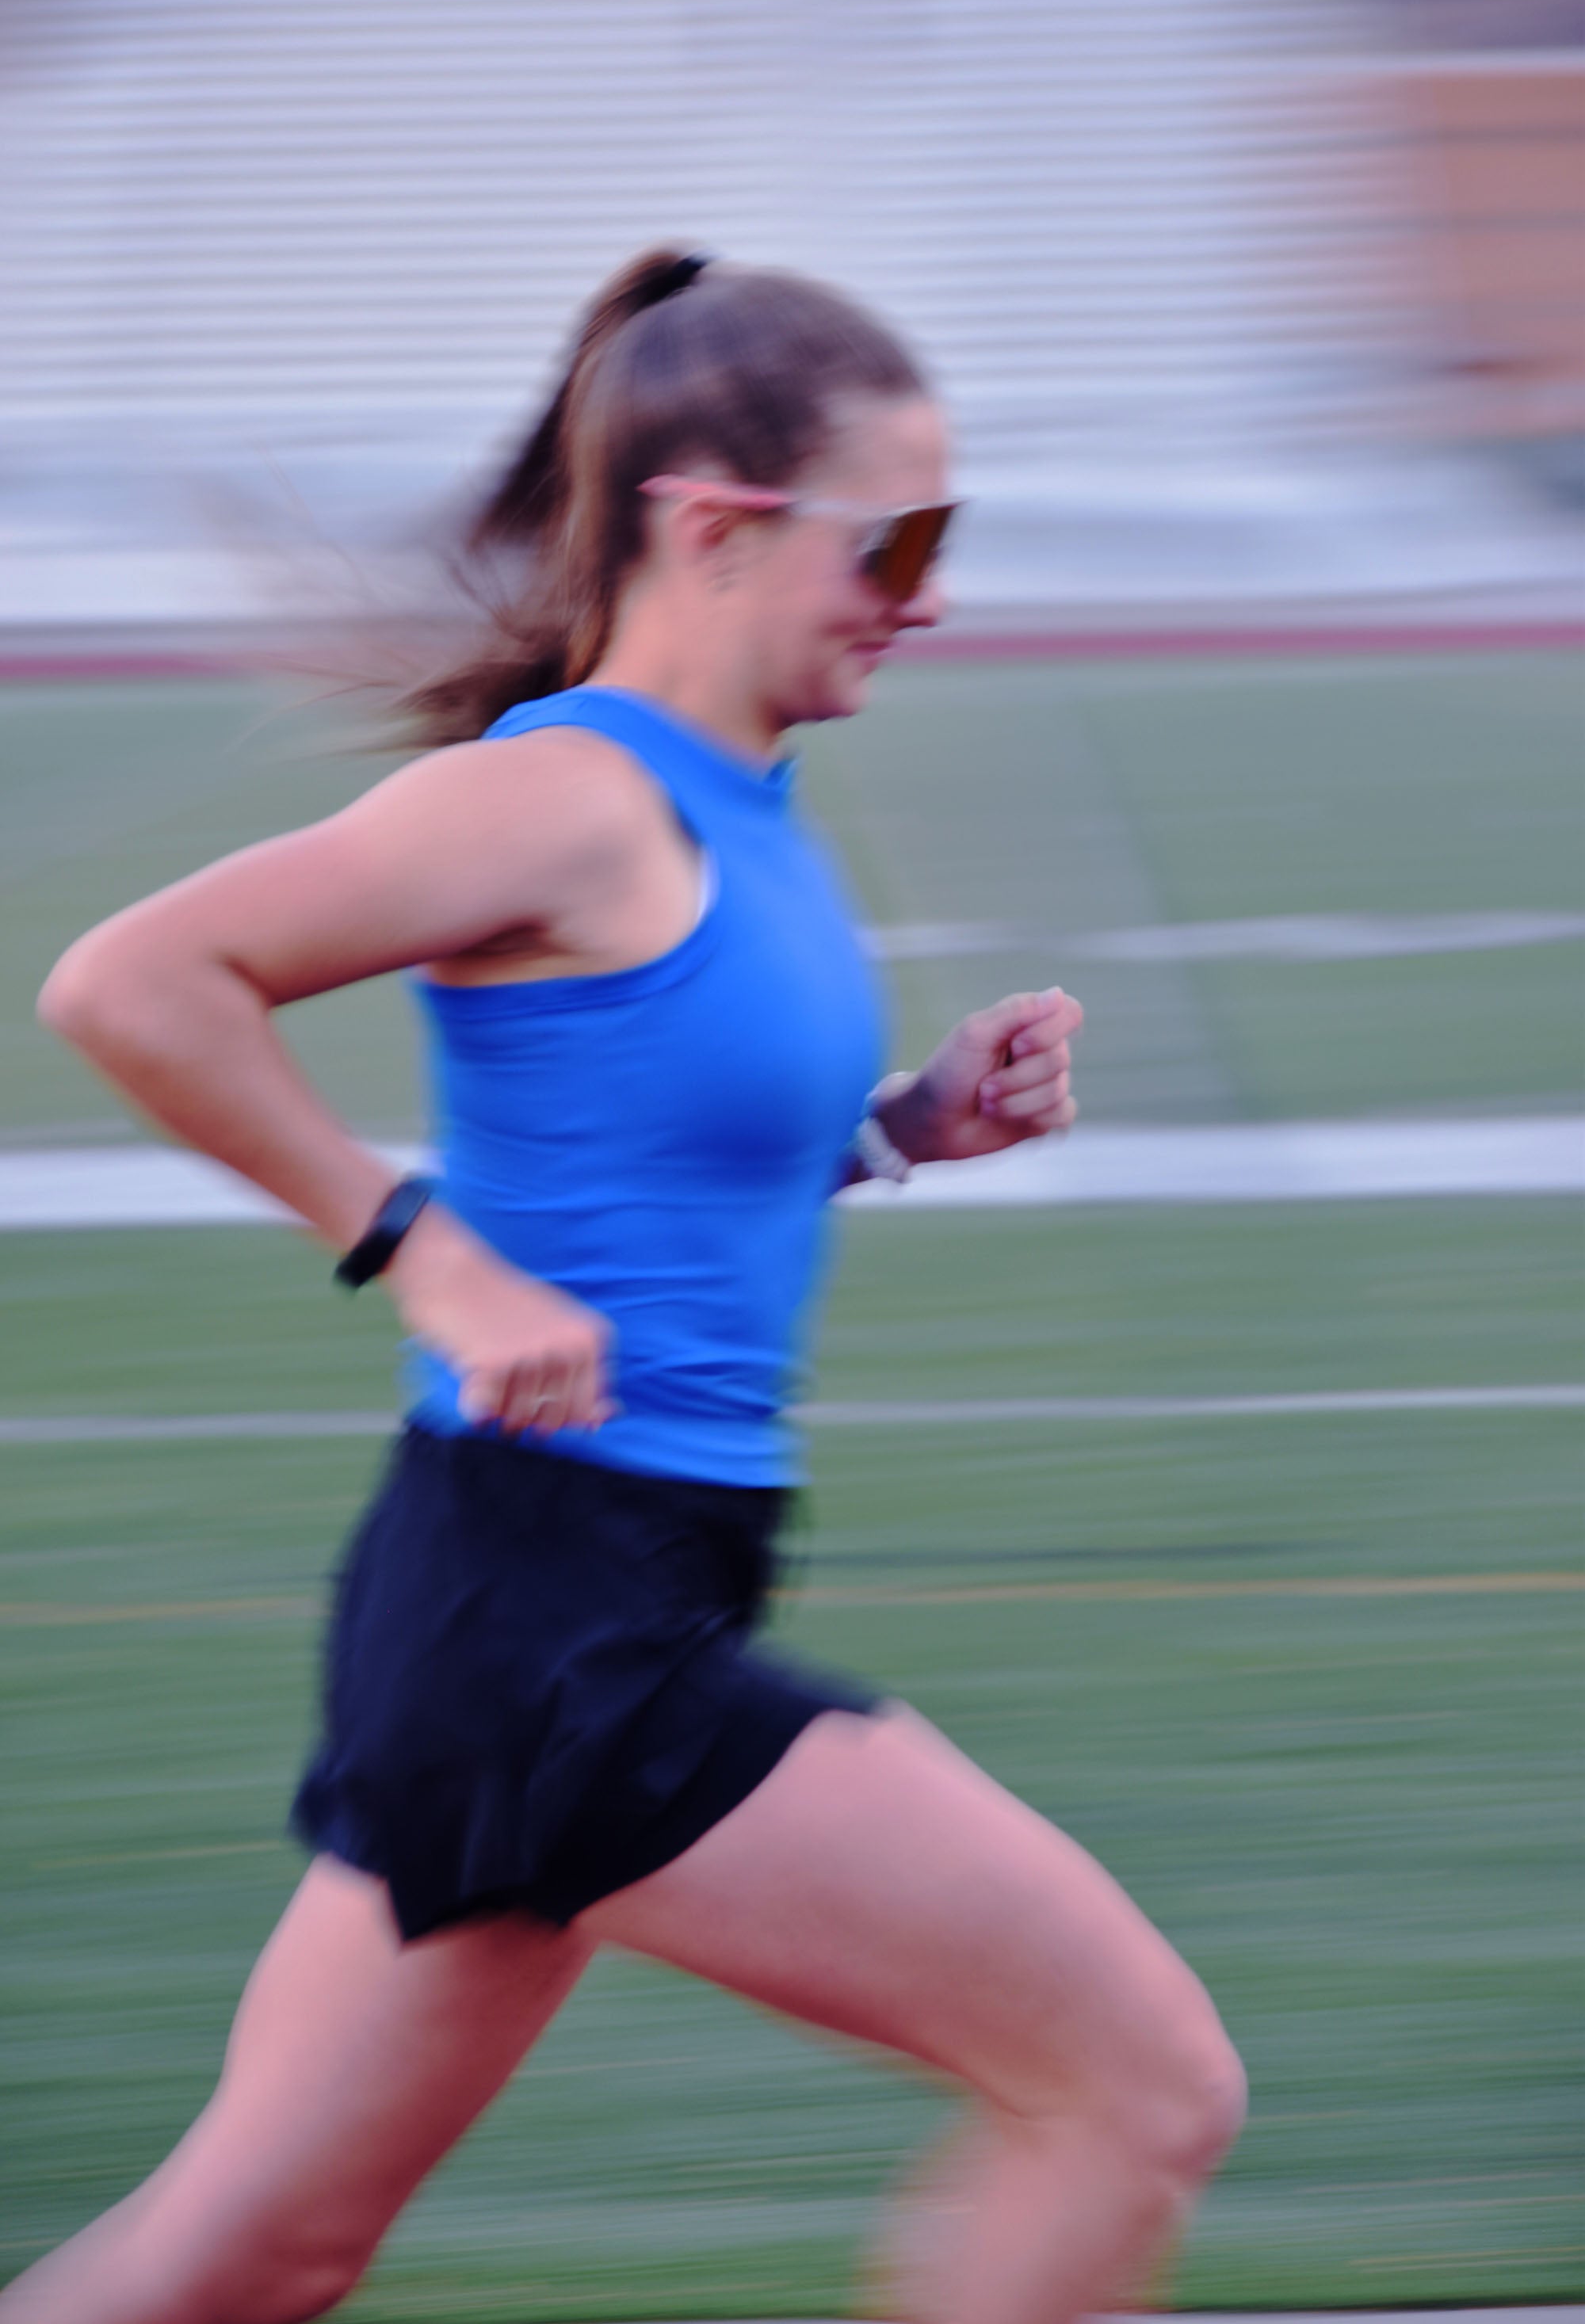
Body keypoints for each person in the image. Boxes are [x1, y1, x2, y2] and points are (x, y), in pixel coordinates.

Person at [6, 248, 1243, 2324]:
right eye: (897, 540)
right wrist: (424, 1255)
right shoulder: (559, 796)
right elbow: (130, 984)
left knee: (254, 2252)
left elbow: (658, 1170)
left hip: (537, 1605)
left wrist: (901, 1131)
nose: (928, 592)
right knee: (1138, 2091)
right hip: (562, 1629)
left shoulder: (735, 799)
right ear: (715, 523)